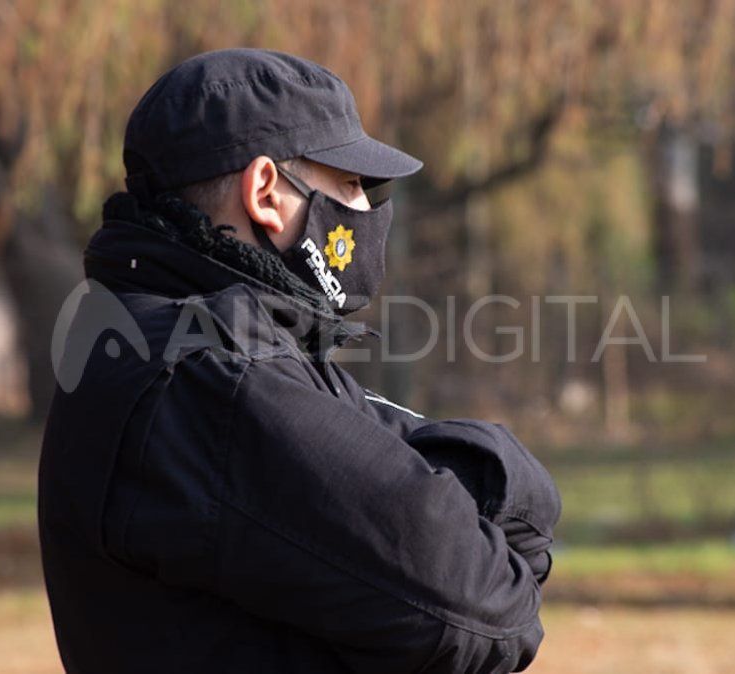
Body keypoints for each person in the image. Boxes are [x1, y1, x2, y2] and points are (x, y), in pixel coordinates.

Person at [38, 48, 561, 673]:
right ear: (265, 192)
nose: (365, 210)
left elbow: (514, 520)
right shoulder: (209, 375)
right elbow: (483, 609)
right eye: (347, 184)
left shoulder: (197, 348)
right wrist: (479, 508)